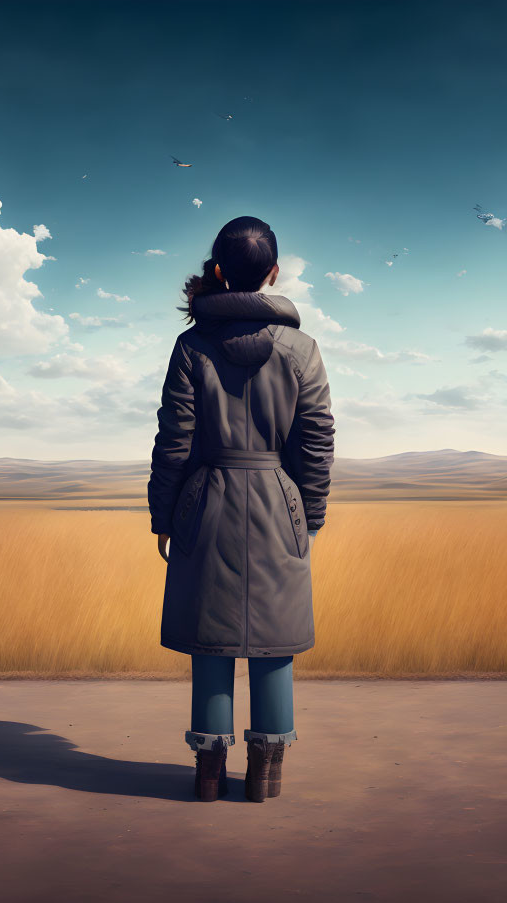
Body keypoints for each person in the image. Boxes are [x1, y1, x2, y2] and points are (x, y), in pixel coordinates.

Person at [147, 215, 335, 802]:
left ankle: (207, 774)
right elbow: (317, 440)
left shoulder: (190, 346)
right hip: (280, 503)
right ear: (274, 274)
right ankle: (266, 775)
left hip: (205, 504)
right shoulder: (302, 349)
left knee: (211, 635)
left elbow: (172, 441)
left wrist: (164, 515)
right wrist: (311, 513)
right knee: (275, 637)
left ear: (219, 272)